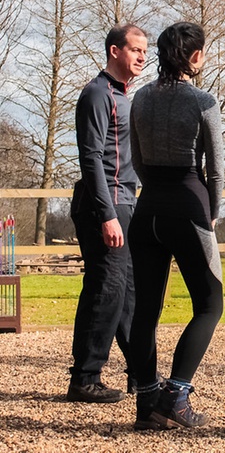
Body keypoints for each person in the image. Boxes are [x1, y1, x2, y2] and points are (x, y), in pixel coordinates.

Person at [127, 22, 225, 430]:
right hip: (188, 207)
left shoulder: (139, 100)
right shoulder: (204, 101)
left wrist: (154, 191)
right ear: (195, 57)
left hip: (147, 209)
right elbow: (216, 170)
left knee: (145, 309)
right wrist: (213, 211)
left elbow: (136, 159)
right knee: (210, 304)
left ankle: (147, 401)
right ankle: (176, 395)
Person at [68, 24, 147, 403]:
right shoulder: (98, 94)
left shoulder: (124, 95)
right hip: (105, 205)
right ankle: (84, 378)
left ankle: (141, 374)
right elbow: (91, 158)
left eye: (145, 51)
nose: (142, 56)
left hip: (126, 203)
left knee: (129, 291)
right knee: (106, 288)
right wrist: (107, 214)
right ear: (115, 51)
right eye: (135, 49)